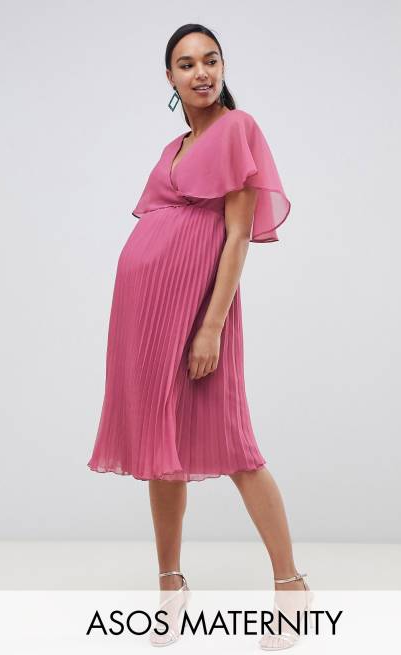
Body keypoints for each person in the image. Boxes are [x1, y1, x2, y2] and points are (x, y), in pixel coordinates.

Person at [87, 23, 313, 650]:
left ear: (223, 67)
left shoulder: (238, 129)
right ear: (170, 78)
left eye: (211, 60)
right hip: (146, 318)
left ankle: (290, 584)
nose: (201, 72)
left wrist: (210, 327)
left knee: (236, 445)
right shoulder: (174, 146)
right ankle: (170, 585)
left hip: (199, 314)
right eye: (186, 64)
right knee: (160, 448)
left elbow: (237, 236)